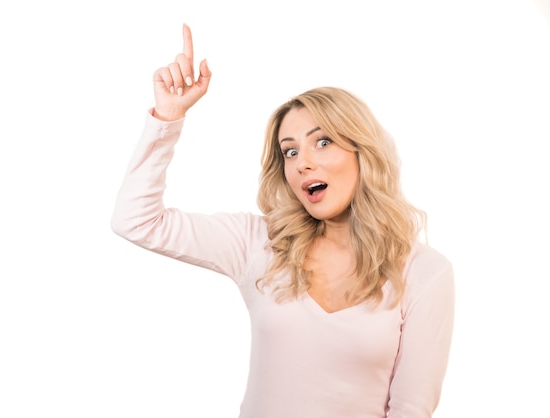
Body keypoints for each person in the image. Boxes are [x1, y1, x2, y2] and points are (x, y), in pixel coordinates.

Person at [111, 23, 455, 418]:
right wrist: (166, 118)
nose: (302, 162)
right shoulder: (259, 243)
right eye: (289, 152)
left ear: (363, 152)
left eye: (322, 141)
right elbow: (135, 220)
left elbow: (411, 409)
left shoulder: (425, 272)